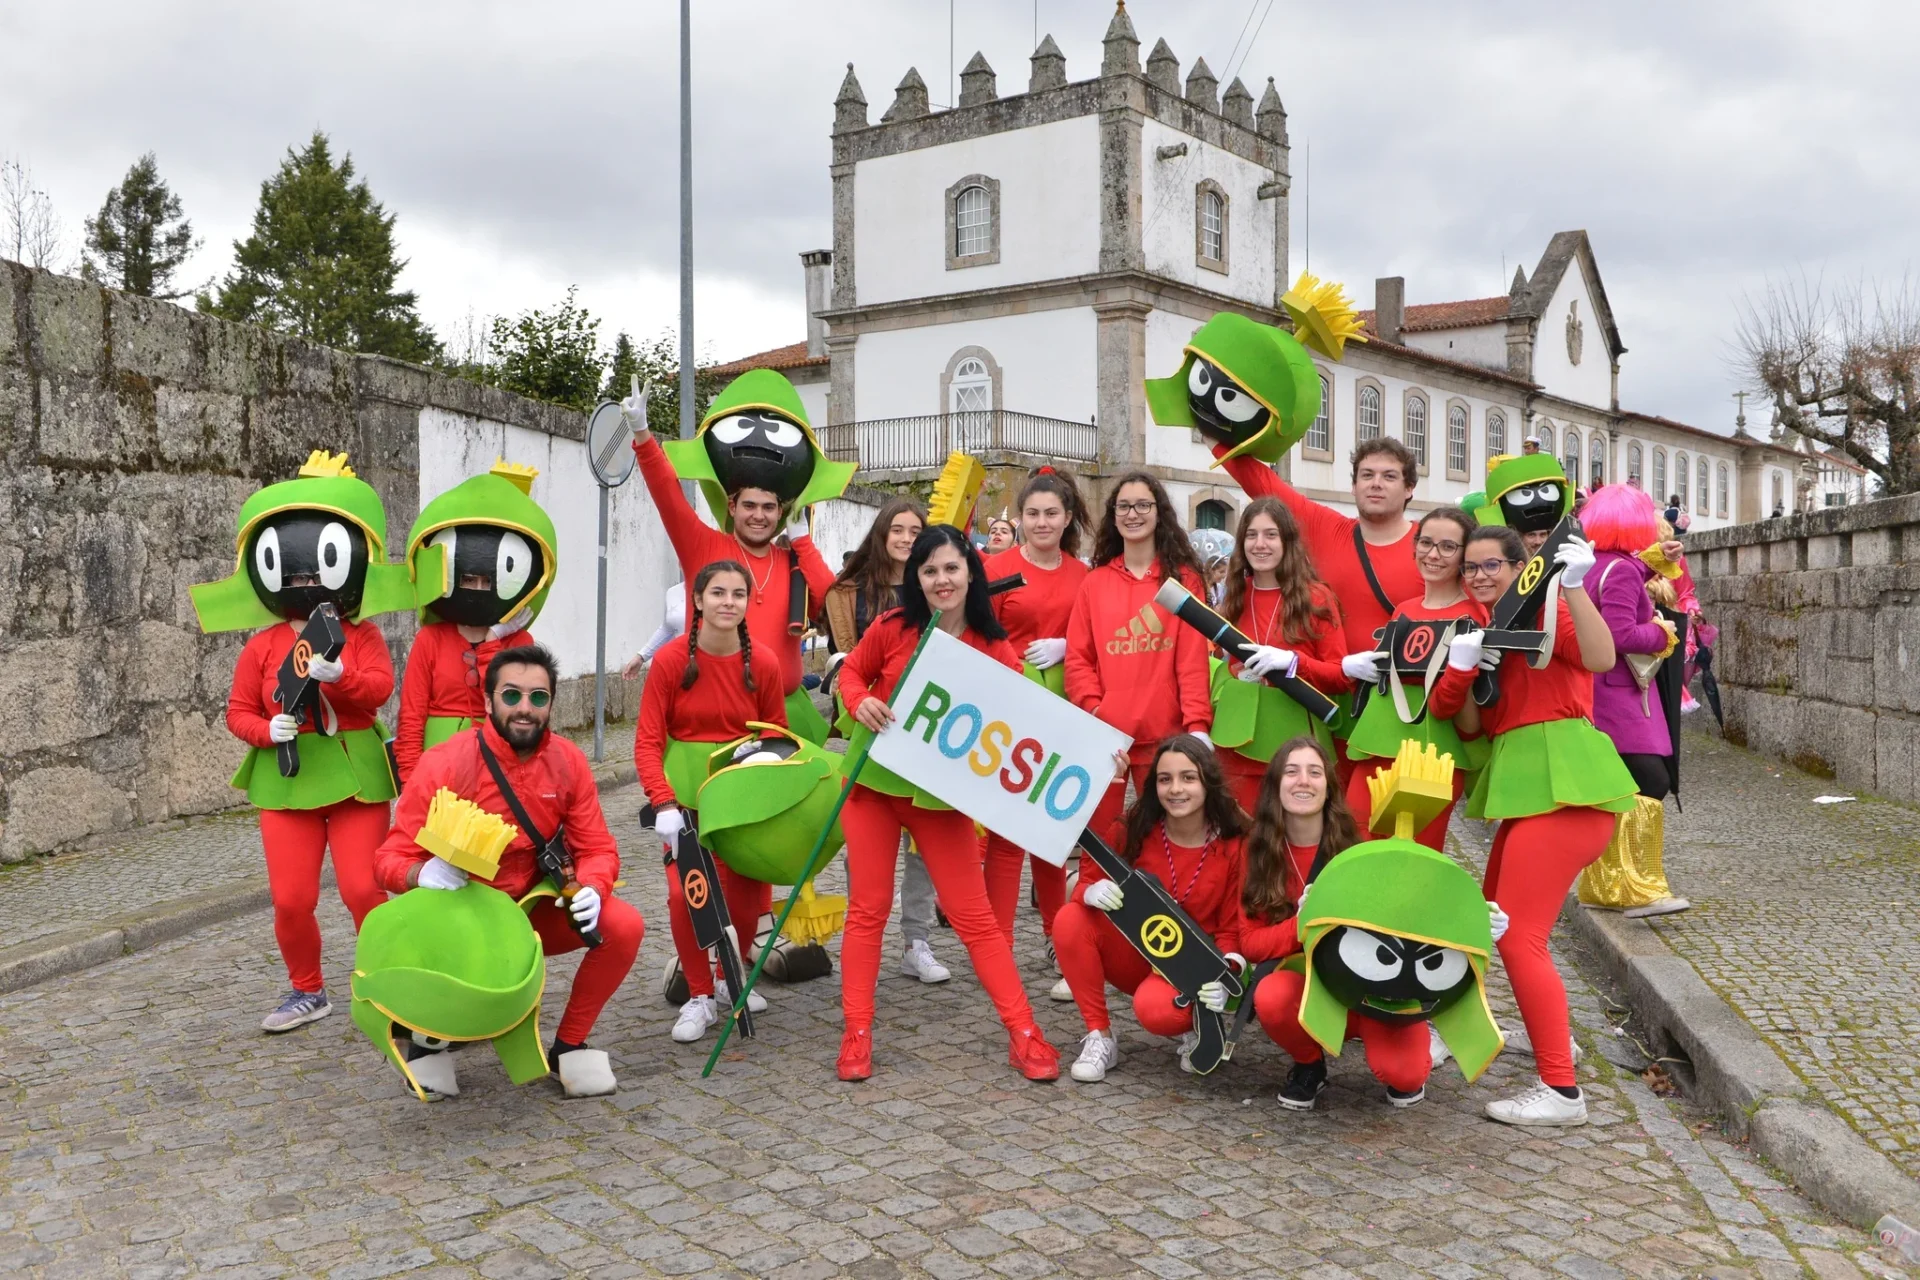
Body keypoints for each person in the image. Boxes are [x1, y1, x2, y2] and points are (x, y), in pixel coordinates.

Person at [193, 451, 413, 1034]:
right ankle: (306, 990)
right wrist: (266, 731)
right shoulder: (261, 647)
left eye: (312, 572)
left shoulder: (359, 634)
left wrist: (343, 682)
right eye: (290, 573)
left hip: (352, 774)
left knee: (363, 889)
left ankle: (395, 982)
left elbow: (380, 691)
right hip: (286, 777)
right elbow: (237, 711)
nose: (302, 581)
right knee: (292, 901)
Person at [836, 524, 1061, 1083]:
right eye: (929, 569)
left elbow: (1026, 720)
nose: (941, 579)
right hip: (875, 788)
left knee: (974, 918)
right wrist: (860, 700)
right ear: (917, 577)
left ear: (970, 574)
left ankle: (1023, 1032)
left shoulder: (994, 645)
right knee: (868, 910)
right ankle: (856, 1032)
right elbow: (851, 674)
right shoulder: (892, 628)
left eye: (951, 568)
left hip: (942, 799)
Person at [1430, 526, 1637, 1127]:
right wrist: (1463, 668)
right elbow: (1469, 725)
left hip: (1567, 785)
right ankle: (1540, 1039)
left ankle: (1561, 1089)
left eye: (1492, 564)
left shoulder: (1550, 609)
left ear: (1522, 566)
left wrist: (1574, 586)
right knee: (1494, 920)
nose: (1478, 576)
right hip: (1529, 791)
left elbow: (1602, 658)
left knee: (1520, 936)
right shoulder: (1483, 629)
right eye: (1470, 567)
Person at [373, 644, 644, 1096]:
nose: (524, 708)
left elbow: (597, 846)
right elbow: (387, 860)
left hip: (532, 912)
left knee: (624, 926)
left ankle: (569, 1045)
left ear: (551, 704)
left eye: (538, 698)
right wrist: (421, 875)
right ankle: (424, 1041)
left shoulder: (569, 761)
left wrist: (594, 885)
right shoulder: (445, 762)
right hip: (461, 924)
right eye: (512, 695)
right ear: (487, 701)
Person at [624, 376, 840, 744]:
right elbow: (668, 495)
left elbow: (833, 603)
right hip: (713, 716)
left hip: (784, 715)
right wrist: (643, 435)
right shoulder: (703, 547)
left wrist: (802, 541)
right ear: (732, 507)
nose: (759, 516)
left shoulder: (791, 560)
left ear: (781, 512)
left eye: (769, 508)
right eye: (750, 506)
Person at [634, 561, 789, 1043]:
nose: (728, 602)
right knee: (687, 897)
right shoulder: (670, 661)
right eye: (717, 592)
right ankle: (698, 994)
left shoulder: (762, 662)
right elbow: (646, 741)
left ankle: (727, 980)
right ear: (696, 600)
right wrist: (662, 802)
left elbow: (778, 736)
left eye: (738, 594)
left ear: (748, 603)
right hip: (685, 804)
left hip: (742, 800)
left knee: (745, 902)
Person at [1210, 437, 1423, 779]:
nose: (1376, 484)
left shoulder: (1429, 546)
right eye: (1367, 475)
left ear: (1410, 487)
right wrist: (1213, 436)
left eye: (1389, 476)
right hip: (1330, 702)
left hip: (1401, 704)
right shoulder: (1329, 528)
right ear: (1353, 485)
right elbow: (1263, 484)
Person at [1238, 737, 1432, 1108]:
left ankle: (1386, 1039)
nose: (1303, 781)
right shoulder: (1258, 852)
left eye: (1314, 772)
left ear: (1329, 787)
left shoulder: (1362, 842)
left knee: (1405, 1076)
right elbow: (1250, 942)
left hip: (1370, 986)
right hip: (1310, 987)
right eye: (1291, 772)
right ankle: (1309, 1064)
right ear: (1275, 786)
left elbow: (1408, 913)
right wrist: (1302, 923)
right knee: (1271, 996)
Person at [1058, 735, 1249, 1083]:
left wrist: (1227, 971)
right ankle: (1100, 1036)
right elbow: (1087, 877)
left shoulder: (1233, 845)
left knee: (1157, 1012)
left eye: (1188, 778)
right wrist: (1089, 891)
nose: (1176, 789)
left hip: (1189, 968)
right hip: (1136, 952)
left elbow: (1231, 927)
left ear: (1208, 782)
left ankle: (1195, 1021)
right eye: (1165, 779)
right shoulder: (1139, 827)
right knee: (1071, 919)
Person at [821, 498, 951, 986]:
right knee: (866, 845)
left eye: (915, 531)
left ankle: (916, 940)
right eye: (896, 529)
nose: (905, 538)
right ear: (881, 534)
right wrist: (843, 674)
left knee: (922, 844)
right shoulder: (853, 592)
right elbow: (847, 659)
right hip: (870, 730)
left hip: (926, 735)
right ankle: (865, 936)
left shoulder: (940, 588)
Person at [981, 467, 1092, 986]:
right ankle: (996, 946)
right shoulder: (994, 568)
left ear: (1067, 518)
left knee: (1052, 835)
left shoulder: (1084, 575)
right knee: (1005, 836)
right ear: (1019, 518)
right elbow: (975, 635)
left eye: (1051, 514)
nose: (1042, 522)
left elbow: (1095, 639)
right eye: (1032, 514)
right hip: (1007, 711)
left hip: (1064, 714)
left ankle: (1059, 941)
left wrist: (1068, 646)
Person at [1065, 472, 1215, 846]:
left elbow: (1192, 662)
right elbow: (1078, 658)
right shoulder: (1094, 583)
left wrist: (1197, 725)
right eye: (1124, 506)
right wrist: (1094, 709)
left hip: (1166, 737)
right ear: (1114, 515)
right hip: (1107, 738)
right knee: (1102, 840)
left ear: (1158, 513)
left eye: (1143, 505)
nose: (1133, 514)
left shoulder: (1183, 582)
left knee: (1168, 839)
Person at [1339, 506, 1487, 848]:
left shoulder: (1474, 613)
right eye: (1426, 543)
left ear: (1465, 555)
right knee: (1355, 841)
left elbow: (1463, 700)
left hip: (1433, 750)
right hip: (1378, 742)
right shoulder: (1404, 609)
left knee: (1414, 852)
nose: (1433, 554)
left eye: (1448, 547)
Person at [395, 463, 551, 785]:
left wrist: (494, 640)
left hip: (498, 764)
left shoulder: (519, 642)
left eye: (487, 582)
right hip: (438, 766)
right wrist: (410, 778)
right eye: (469, 580)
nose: (478, 590)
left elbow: (506, 701)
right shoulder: (430, 639)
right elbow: (411, 716)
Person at [1582, 486, 1691, 918]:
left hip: (1599, 693)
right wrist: (1663, 634)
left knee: (1619, 787)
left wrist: (1655, 562)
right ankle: (1642, 886)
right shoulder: (1621, 570)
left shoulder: (1597, 564)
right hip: (1622, 695)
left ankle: (1606, 884)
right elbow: (1620, 634)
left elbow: (1614, 587)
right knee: (1651, 780)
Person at [1210, 498, 1350, 814]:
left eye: (1271, 535)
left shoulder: (1316, 597)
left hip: (1296, 747)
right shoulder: (1235, 594)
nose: (1260, 544)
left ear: (1287, 541)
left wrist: (1292, 663)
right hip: (1238, 746)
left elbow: (1340, 676)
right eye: (1251, 535)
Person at [621, 584, 687, 680]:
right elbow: (667, 628)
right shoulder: (673, 592)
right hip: (681, 668)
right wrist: (641, 656)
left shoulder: (713, 589)